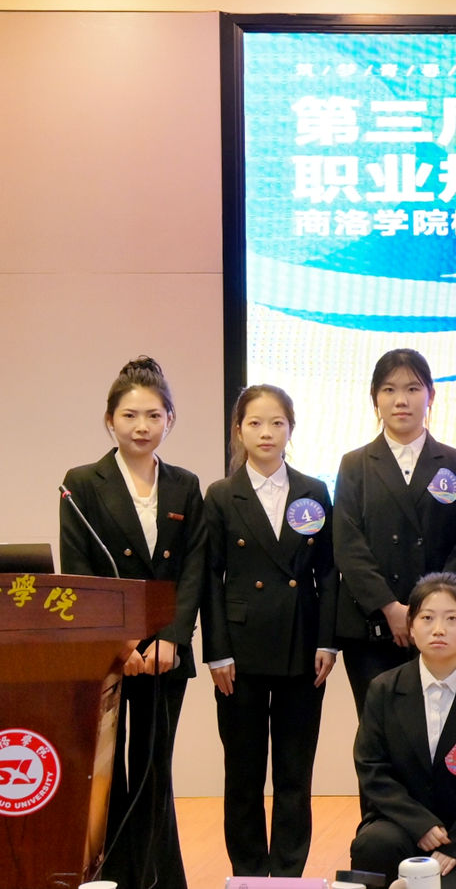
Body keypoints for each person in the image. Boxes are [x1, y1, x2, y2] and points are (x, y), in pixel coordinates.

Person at [58, 356, 207, 889]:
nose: (141, 426)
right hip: (108, 653)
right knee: (106, 772)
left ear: (170, 419)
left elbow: (193, 570)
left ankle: (158, 880)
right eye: (129, 415)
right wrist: (121, 644)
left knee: (152, 769)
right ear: (110, 420)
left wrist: (171, 639)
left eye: (153, 415)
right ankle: (111, 877)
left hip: (166, 654)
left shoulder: (186, 485)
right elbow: (79, 573)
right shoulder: (81, 483)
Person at [200, 384, 337, 876]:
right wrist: (216, 651)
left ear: (290, 429)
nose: (266, 432)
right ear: (238, 430)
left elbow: (329, 573)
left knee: (295, 773)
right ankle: (249, 875)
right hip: (239, 652)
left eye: (277, 422)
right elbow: (209, 577)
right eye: (255, 423)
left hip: (303, 647)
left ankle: (288, 875)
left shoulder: (313, 491)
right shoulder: (221, 495)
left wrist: (327, 641)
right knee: (243, 773)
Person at [351, 573, 456, 889]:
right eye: (427, 618)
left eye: (452, 618)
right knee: (373, 846)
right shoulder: (384, 689)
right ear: (411, 626)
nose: (439, 629)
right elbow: (372, 768)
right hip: (400, 826)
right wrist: (420, 824)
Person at [334, 348, 456, 714]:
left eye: (413, 388)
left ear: (431, 395)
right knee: (378, 728)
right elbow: (348, 544)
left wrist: (427, 611)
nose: (401, 400)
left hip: (438, 624)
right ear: (375, 398)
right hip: (372, 626)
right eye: (389, 389)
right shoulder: (354, 464)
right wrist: (391, 608)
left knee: (437, 726)